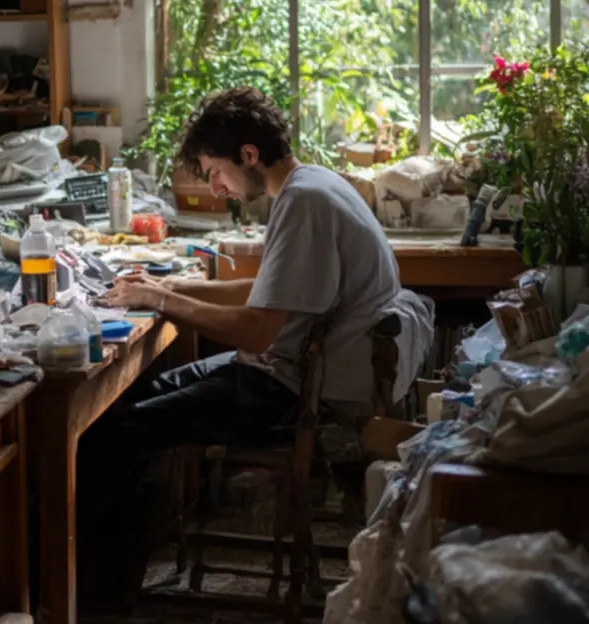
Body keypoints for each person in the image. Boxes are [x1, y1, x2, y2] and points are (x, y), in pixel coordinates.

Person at [78, 86, 433, 602]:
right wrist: (169, 286)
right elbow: (267, 288)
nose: (217, 187)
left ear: (248, 155)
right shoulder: (312, 184)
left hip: (290, 389)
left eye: (215, 171)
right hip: (282, 369)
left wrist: (163, 304)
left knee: (112, 433)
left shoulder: (304, 201)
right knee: (122, 402)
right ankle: (110, 571)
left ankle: (91, 586)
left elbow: (257, 329)